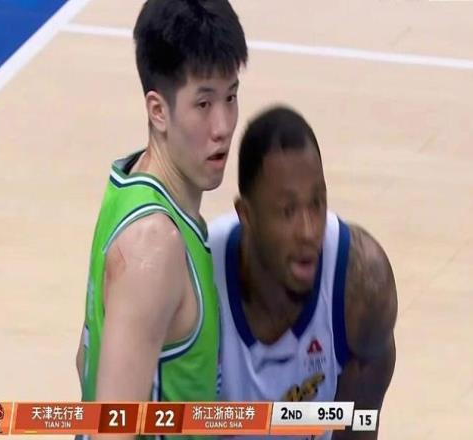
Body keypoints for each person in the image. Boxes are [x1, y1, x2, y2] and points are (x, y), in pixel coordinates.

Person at [75, 0, 247, 438]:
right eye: (203, 103)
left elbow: (84, 358)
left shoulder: (129, 185)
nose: (223, 126)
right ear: (158, 111)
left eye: (230, 97)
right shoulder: (154, 244)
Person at [209, 106, 397, 440]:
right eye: (287, 211)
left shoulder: (361, 288)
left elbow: (358, 425)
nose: (309, 232)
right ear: (246, 215)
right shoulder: (194, 282)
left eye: (317, 203)